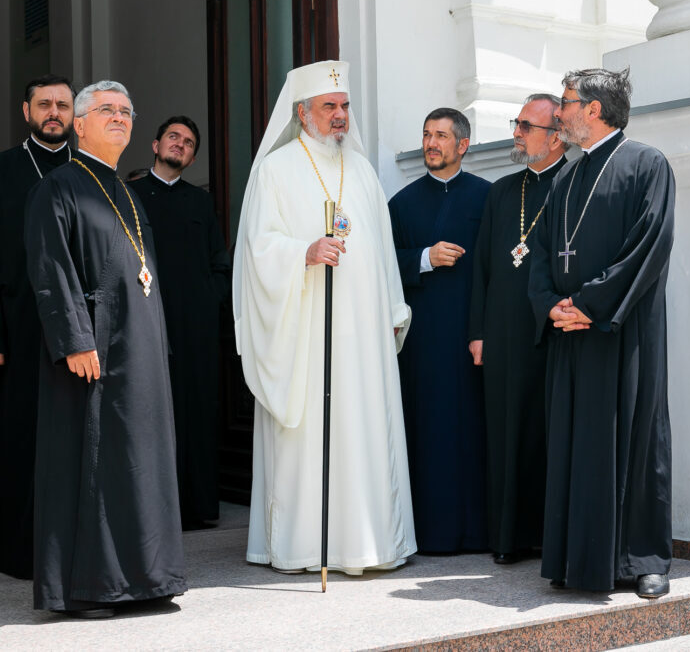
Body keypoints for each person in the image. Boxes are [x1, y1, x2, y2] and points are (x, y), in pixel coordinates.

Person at [233, 60, 417, 574]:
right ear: (302, 112)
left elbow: (381, 248)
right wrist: (303, 253)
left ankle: (367, 542)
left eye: (344, 106)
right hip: (307, 334)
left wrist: (395, 307)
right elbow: (258, 249)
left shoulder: (359, 168)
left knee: (364, 428)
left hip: (363, 336)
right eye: (329, 107)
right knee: (311, 434)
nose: (340, 116)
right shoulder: (275, 169)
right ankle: (304, 546)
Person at [24, 80, 187, 617]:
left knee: (139, 464)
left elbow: (146, 278)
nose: (119, 117)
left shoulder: (131, 194)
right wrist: (74, 337)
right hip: (92, 348)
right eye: (106, 110)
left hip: (137, 350)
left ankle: (146, 577)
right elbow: (51, 268)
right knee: (92, 464)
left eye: (126, 111)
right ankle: (90, 586)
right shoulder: (59, 187)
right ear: (80, 123)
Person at [527, 68, 675, 599]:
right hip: (570, 333)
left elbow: (650, 243)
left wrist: (590, 304)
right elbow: (543, 255)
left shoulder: (646, 164)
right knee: (575, 444)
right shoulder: (565, 176)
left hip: (620, 329)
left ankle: (644, 560)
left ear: (593, 110)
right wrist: (552, 308)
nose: (558, 113)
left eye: (565, 103)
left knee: (633, 437)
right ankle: (577, 558)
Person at [0, 74, 75, 579]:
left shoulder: (88, 169)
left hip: (79, 330)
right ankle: (17, 551)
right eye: (44, 104)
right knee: (21, 437)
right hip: (18, 326)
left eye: (63, 105)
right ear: (26, 112)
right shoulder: (1, 170)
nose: (54, 113)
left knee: (72, 438)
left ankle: (72, 546)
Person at [468, 94, 568, 565]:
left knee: (547, 433)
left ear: (555, 136)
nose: (517, 133)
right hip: (504, 334)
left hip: (551, 333)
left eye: (526, 126)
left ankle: (550, 538)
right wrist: (477, 332)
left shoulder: (574, 184)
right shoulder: (503, 191)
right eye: (517, 123)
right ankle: (508, 538)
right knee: (507, 433)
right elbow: (483, 268)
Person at [387, 107, 489, 554]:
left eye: (442, 136)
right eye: (427, 134)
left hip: (472, 337)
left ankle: (481, 532)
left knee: (474, 433)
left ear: (462, 145)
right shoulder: (401, 204)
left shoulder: (489, 198)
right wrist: (425, 257)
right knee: (428, 434)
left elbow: (498, 272)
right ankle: (430, 534)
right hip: (423, 342)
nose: (431, 143)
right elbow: (384, 267)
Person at [130, 115, 231, 530]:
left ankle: (198, 506)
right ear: (155, 145)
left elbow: (219, 263)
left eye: (189, 143)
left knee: (196, 413)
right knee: (150, 413)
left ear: (191, 158)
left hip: (196, 328)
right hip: (146, 322)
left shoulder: (201, 202)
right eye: (173, 137)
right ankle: (150, 508)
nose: (181, 145)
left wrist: (209, 303)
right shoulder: (129, 195)